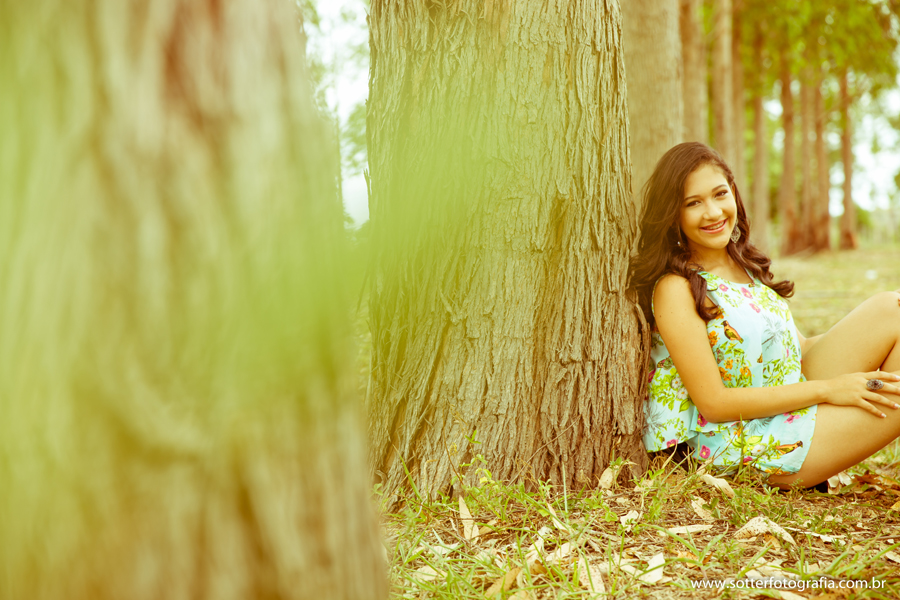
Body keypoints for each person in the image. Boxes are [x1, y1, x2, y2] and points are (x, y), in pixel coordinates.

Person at [628, 142, 900, 489]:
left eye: (719, 194)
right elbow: (714, 403)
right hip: (738, 439)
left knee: (891, 308)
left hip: (782, 400)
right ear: (673, 215)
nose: (712, 212)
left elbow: (795, 352)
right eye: (693, 203)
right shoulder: (676, 287)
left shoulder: (746, 269)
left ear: (734, 194)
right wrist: (830, 390)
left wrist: (869, 329)